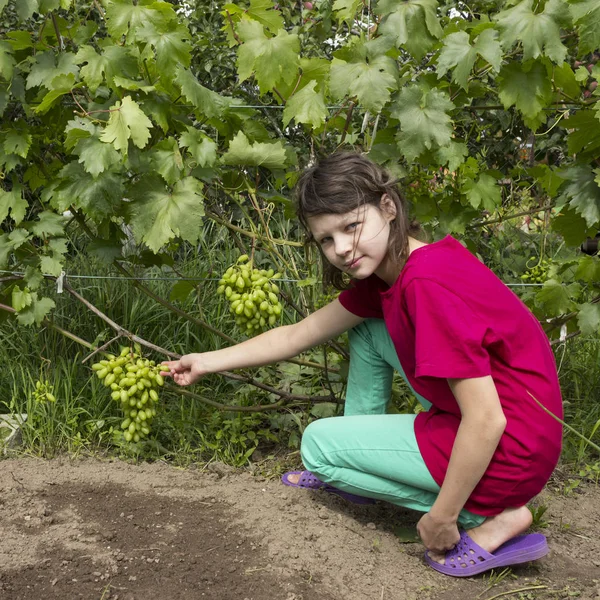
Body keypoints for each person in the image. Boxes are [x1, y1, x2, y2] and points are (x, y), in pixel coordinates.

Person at [164, 152, 562, 577]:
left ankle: (488, 518)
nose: (341, 249)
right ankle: (360, 458)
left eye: (351, 226)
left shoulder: (427, 285)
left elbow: (486, 419)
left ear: (388, 206)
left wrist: (442, 517)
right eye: (325, 239)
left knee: (317, 446)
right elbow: (299, 334)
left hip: (508, 446)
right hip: (521, 427)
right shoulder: (402, 267)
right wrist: (205, 361)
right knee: (370, 331)